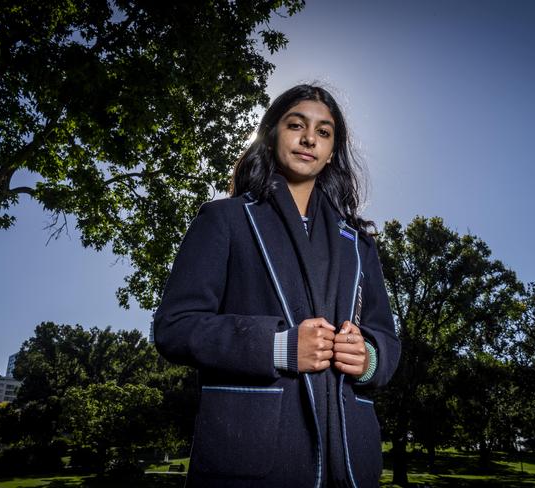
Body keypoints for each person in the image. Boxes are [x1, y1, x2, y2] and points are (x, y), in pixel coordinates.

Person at [154, 84, 401, 487]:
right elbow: (175, 328)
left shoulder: (360, 243)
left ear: (333, 150)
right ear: (270, 134)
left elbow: (387, 340)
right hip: (251, 458)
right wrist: (280, 347)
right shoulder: (224, 220)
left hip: (352, 462)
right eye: (296, 125)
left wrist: (369, 357)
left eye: (324, 132)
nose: (309, 139)